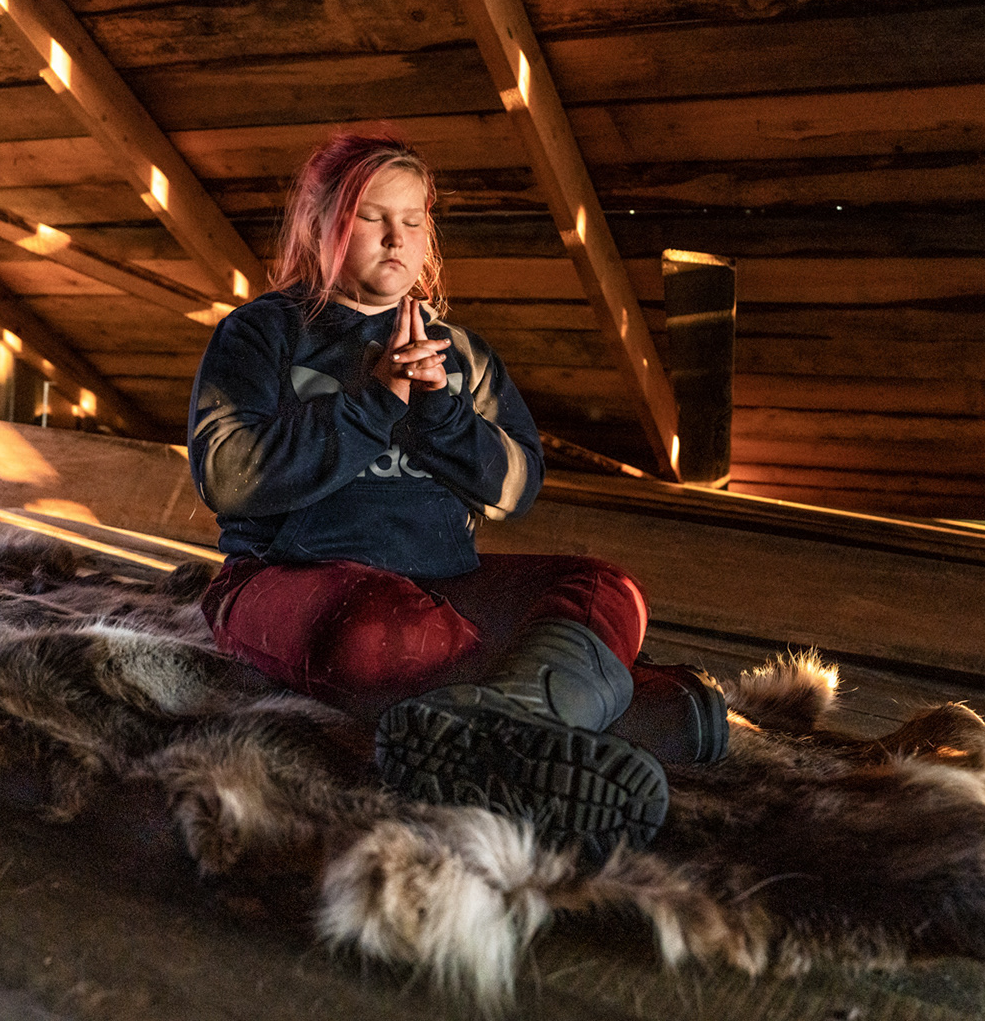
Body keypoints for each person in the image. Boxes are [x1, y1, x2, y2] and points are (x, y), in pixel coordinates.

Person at [187, 132, 727, 859]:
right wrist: (374, 403)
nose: (396, 237)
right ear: (320, 226)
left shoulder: (461, 354)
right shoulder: (264, 333)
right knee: (381, 630)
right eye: (372, 217)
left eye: (413, 220)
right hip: (289, 579)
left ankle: (500, 726)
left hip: (441, 584)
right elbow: (227, 476)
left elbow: (515, 488)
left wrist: (441, 413)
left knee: (608, 588)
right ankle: (603, 715)